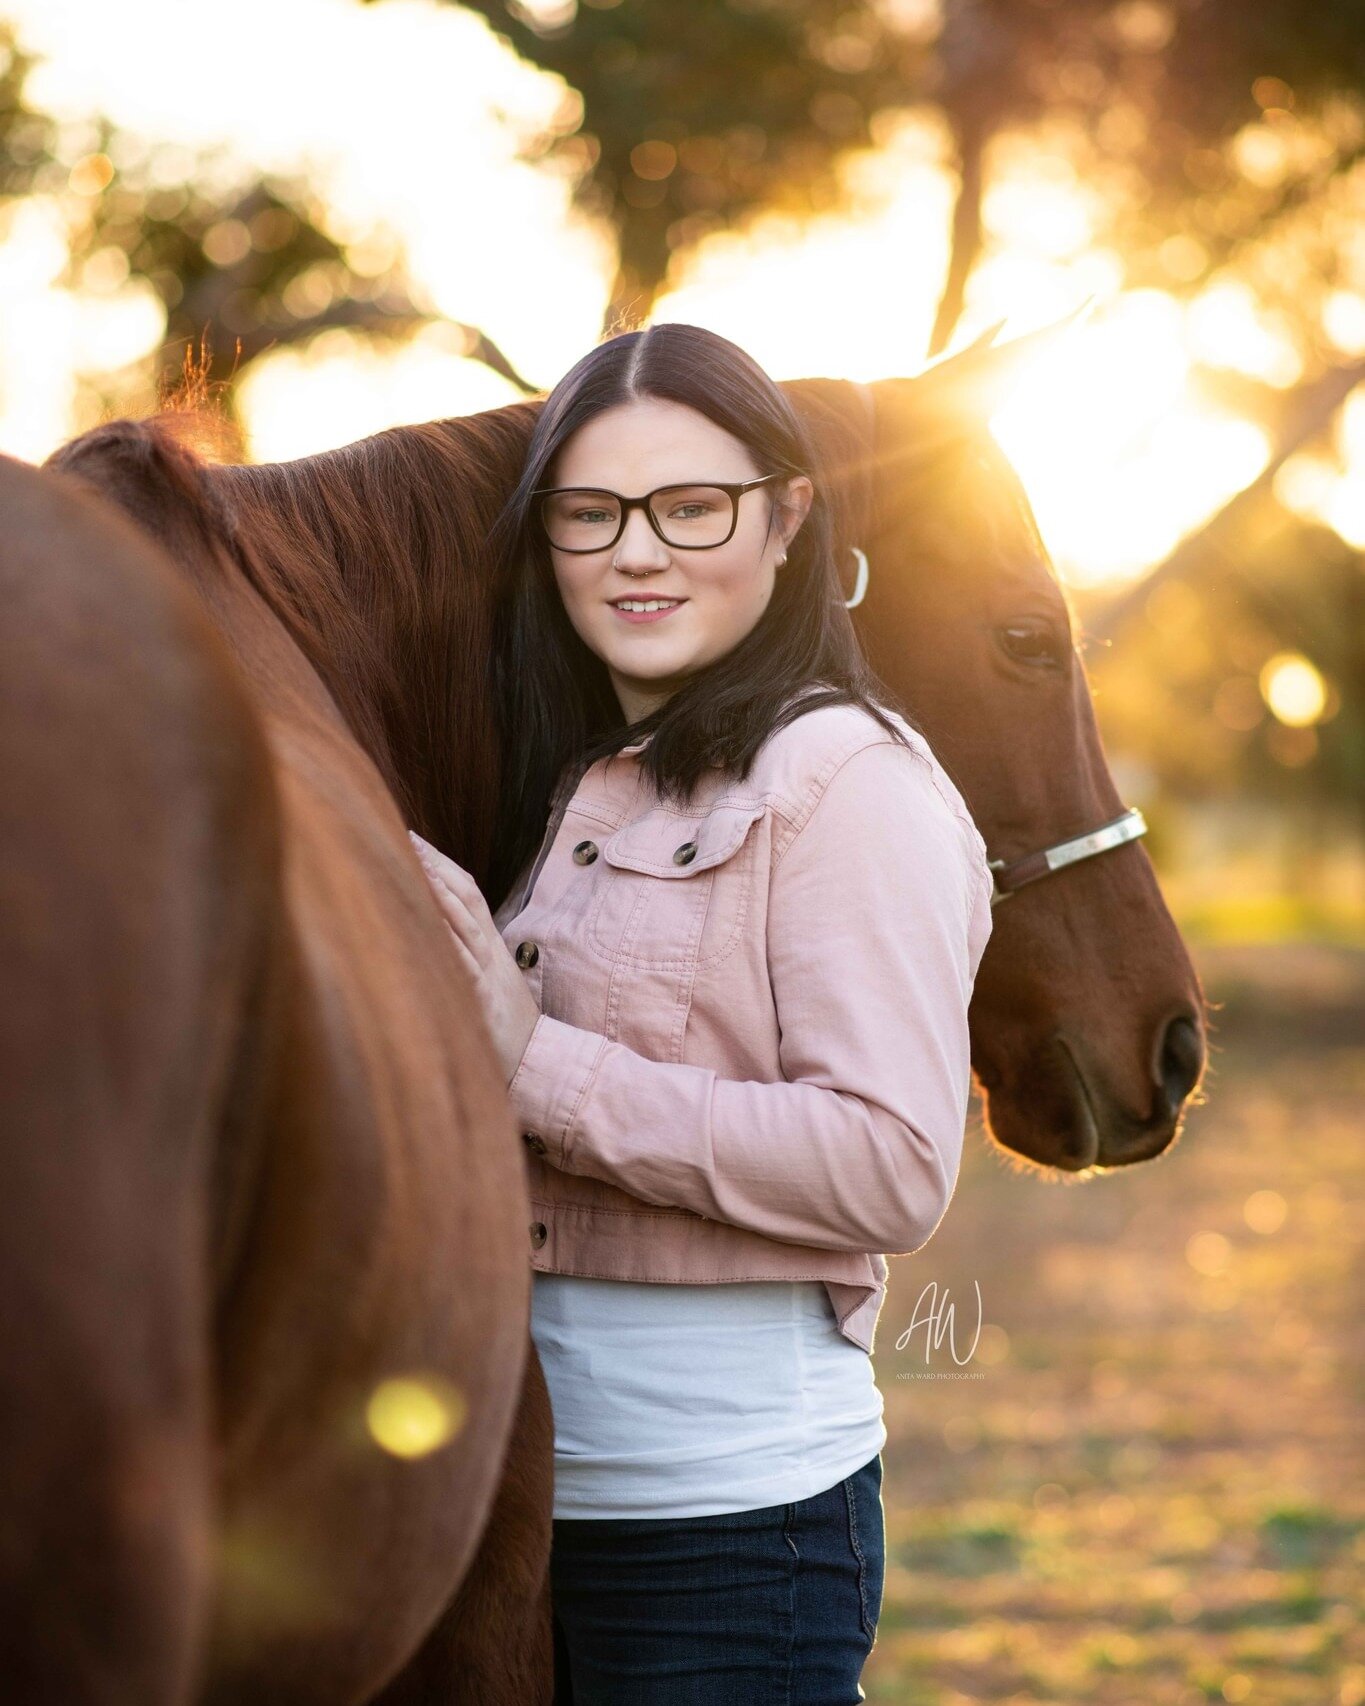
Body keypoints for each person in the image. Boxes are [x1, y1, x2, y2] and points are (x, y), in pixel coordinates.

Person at [410, 321, 994, 1704]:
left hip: (732, 1536)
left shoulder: (842, 780)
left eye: (691, 506)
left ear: (788, 518)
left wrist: (531, 1062)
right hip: (526, 1527)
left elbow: (890, 1163)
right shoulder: (575, 789)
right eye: (591, 512)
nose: (636, 550)